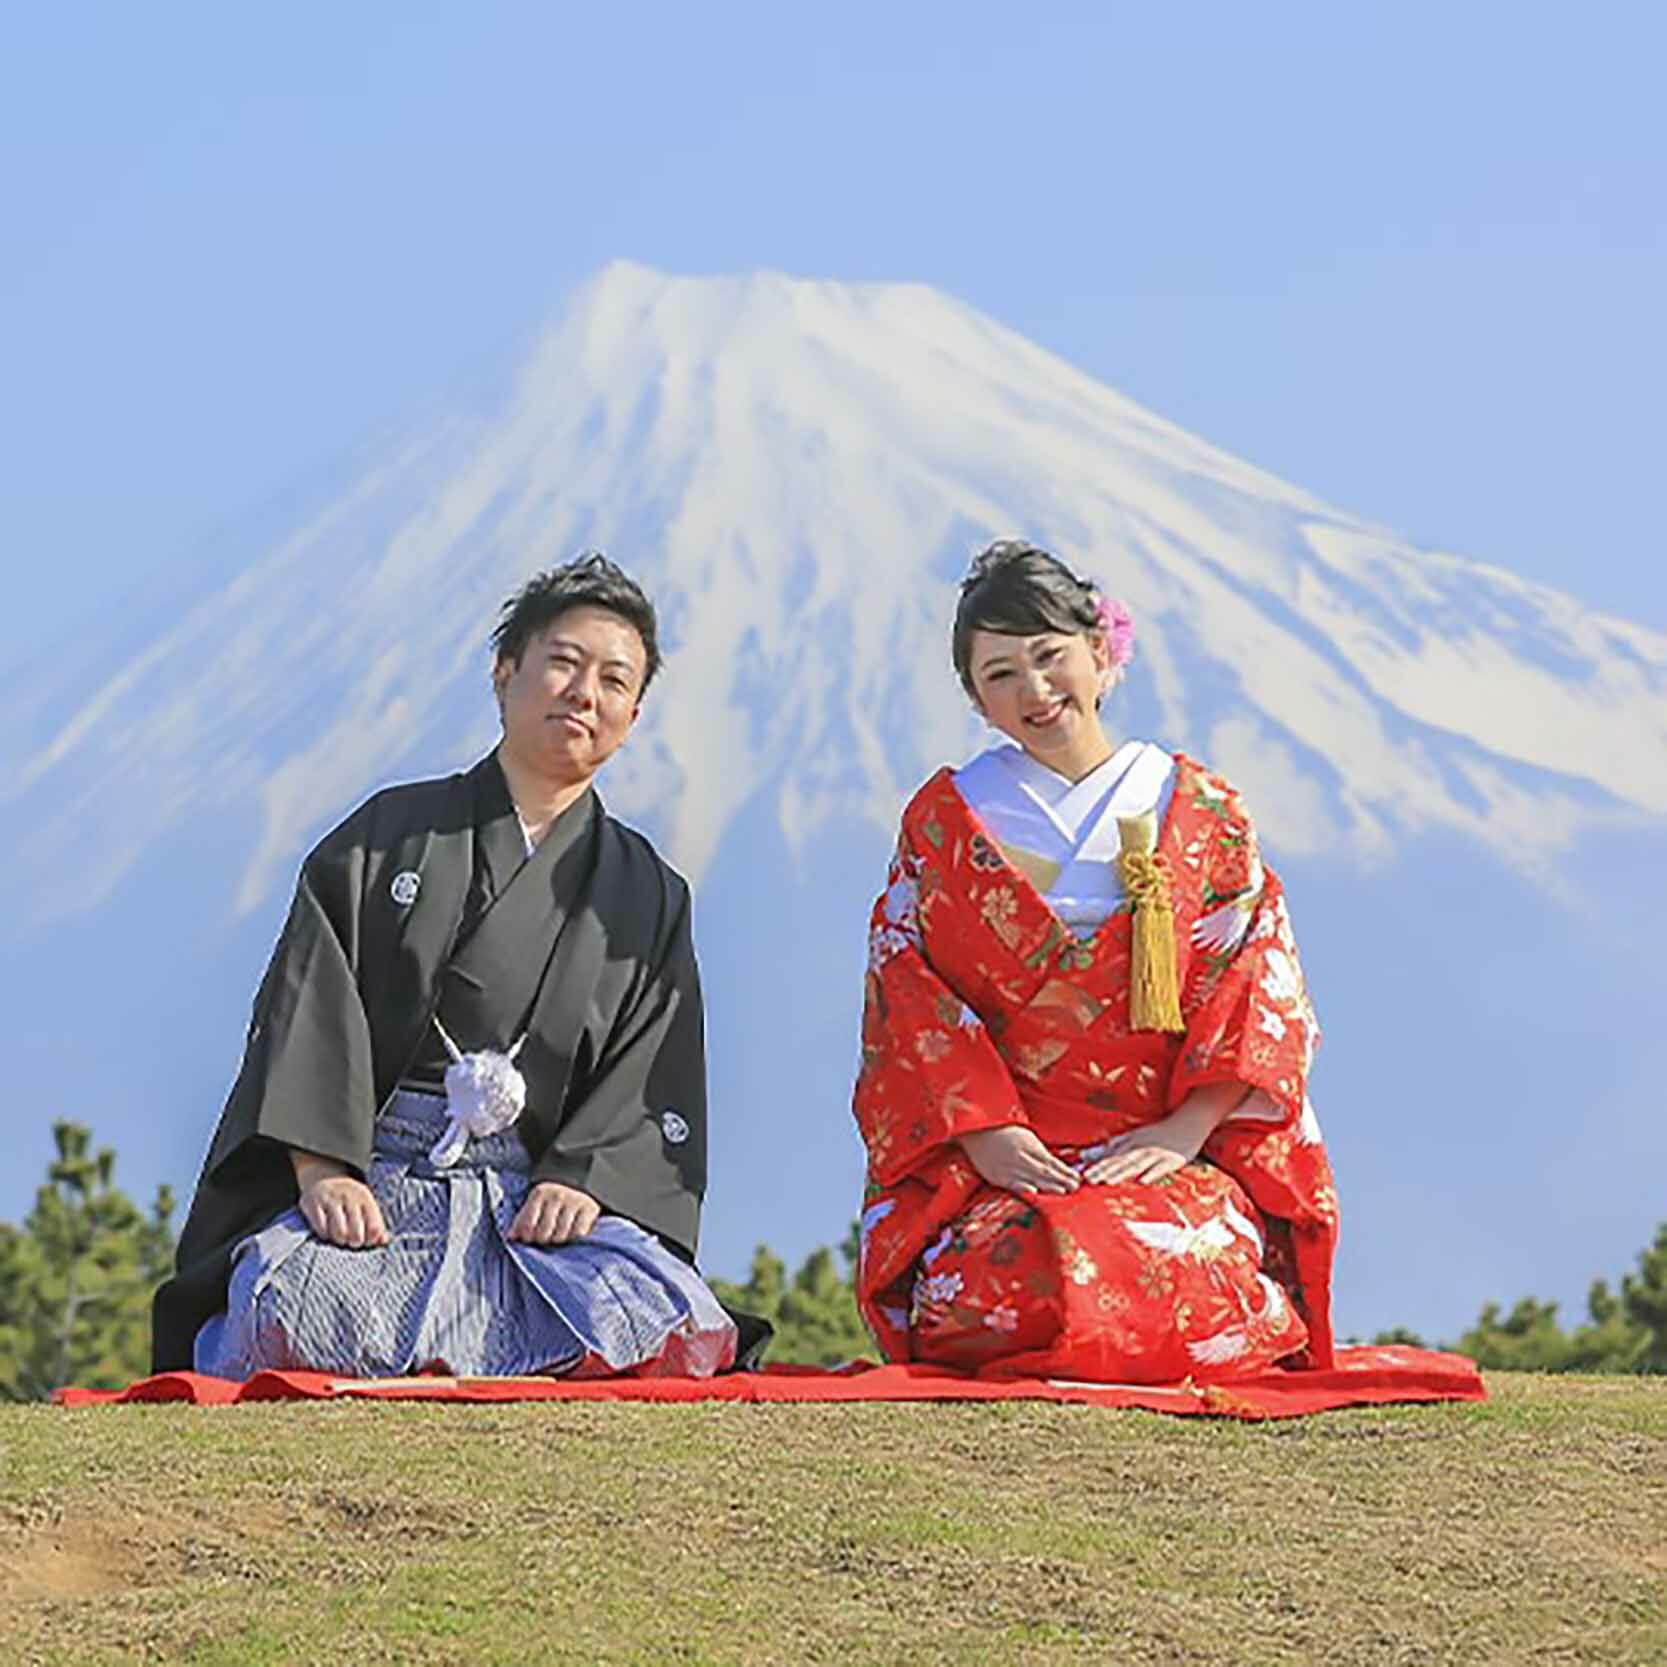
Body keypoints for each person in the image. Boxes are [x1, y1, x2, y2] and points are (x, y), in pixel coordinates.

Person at [153, 553, 744, 1380]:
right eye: (563, 663)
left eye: (614, 681)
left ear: (633, 716)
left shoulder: (646, 891)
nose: (584, 693)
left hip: (535, 1199)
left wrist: (585, 1178)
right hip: (382, 1176)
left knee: (662, 1317)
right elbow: (308, 1006)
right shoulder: (386, 838)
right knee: (286, 1309)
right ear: (505, 674)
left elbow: (653, 1065)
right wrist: (323, 1169)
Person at [852, 540, 1338, 1382]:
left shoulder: (1204, 810)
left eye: (1050, 657)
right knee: (991, 1278)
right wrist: (988, 1135)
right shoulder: (944, 819)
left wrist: (1183, 1133)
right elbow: (908, 991)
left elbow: (1255, 983)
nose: (1035, 691)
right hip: (1003, 1164)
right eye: (1000, 673)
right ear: (976, 698)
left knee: (1190, 1261)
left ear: (1101, 653)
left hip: (1169, 1150)